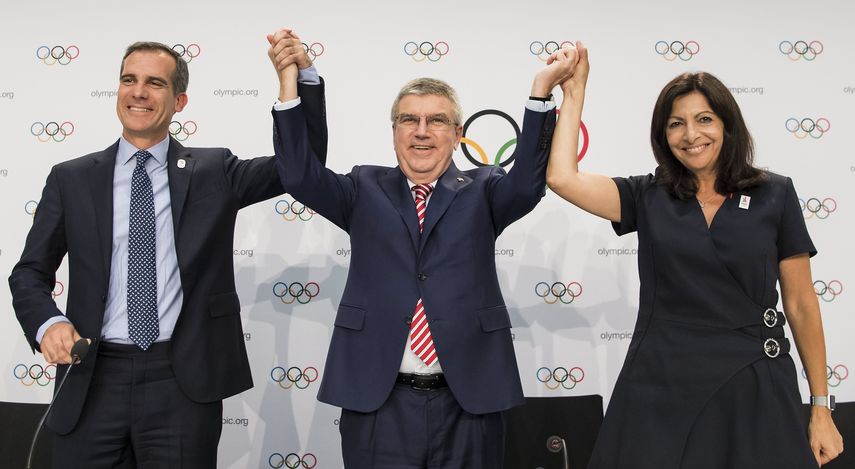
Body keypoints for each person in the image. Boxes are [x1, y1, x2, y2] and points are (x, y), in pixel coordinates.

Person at [8, 30, 327, 468]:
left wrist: (298, 79)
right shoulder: (71, 178)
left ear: (180, 102)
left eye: (155, 83)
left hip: (181, 382)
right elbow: (29, 273)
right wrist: (48, 324)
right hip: (91, 378)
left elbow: (302, 167)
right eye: (129, 80)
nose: (138, 92)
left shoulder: (215, 170)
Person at [267, 34, 577, 468]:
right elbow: (299, 175)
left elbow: (527, 183)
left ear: (458, 134)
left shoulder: (484, 189)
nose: (421, 131)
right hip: (378, 401)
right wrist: (291, 81)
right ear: (393, 130)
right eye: (408, 120)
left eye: (436, 121)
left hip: (469, 402)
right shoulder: (362, 187)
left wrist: (541, 91)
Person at [545, 43, 844, 468]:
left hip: (753, 384)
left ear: (727, 125)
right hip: (660, 388)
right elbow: (562, 177)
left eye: (704, 119)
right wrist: (575, 92)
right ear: (663, 135)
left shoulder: (774, 193)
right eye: (676, 124)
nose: (691, 135)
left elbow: (800, 303)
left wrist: (820, 407)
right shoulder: (647, 196)